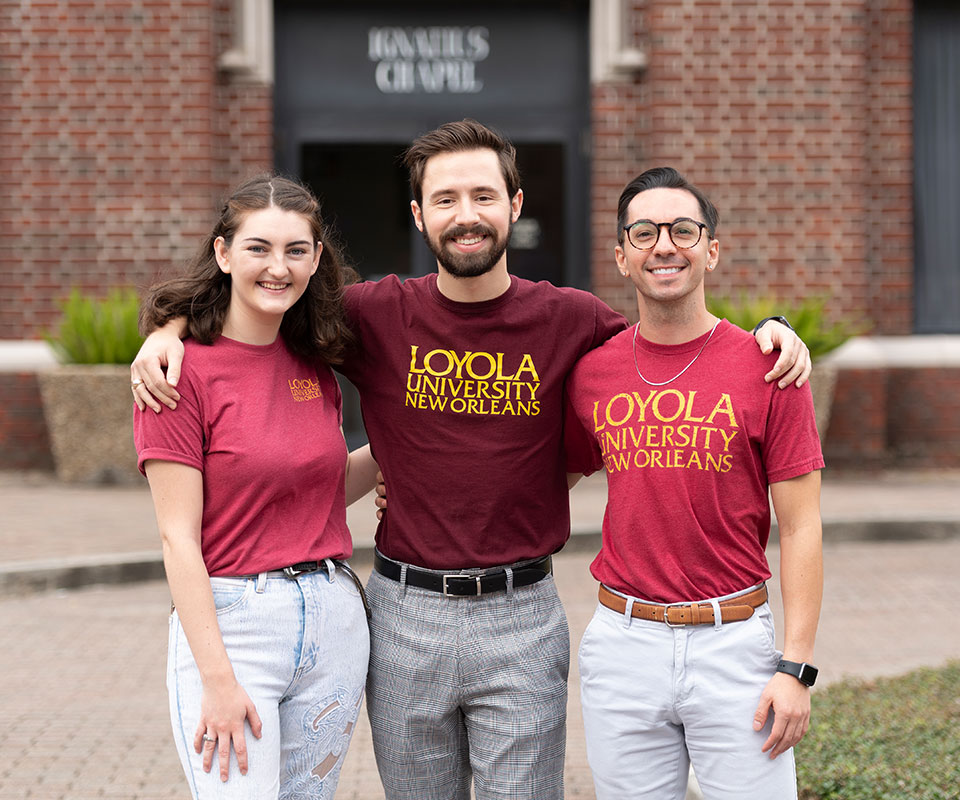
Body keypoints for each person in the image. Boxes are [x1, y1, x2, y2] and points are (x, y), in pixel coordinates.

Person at [130, 121, 811, 800]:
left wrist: (767, 334)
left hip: (522, 614)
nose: (467, 215)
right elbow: (267, 297)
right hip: (401, 614)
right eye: (447, 199)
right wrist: (170, 332)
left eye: (483, 195)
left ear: (514, 206)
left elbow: (672, 330)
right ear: (420, 215)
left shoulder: (571, 321)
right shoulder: (371, 316)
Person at [564, 167, 823, 800]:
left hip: (733, 645)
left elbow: (802, 526)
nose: (664, 245)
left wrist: (796, 668)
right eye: (644, 232)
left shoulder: (770, 369)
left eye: (683, 229)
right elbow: (539, 479)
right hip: (623, 645)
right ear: (622, 256)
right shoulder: (592, 372)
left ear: (710, 249)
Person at [133, 174, 377, 799]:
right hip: (233, 626)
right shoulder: (177, 372)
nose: (278, 267)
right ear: (223, 255)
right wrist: (216, 679)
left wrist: (405, 447)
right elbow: (177, 537)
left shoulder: (315, 362)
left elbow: (317, 492)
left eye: (296, 250)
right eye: (258, 248)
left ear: (317, 259)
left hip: (333, 621)